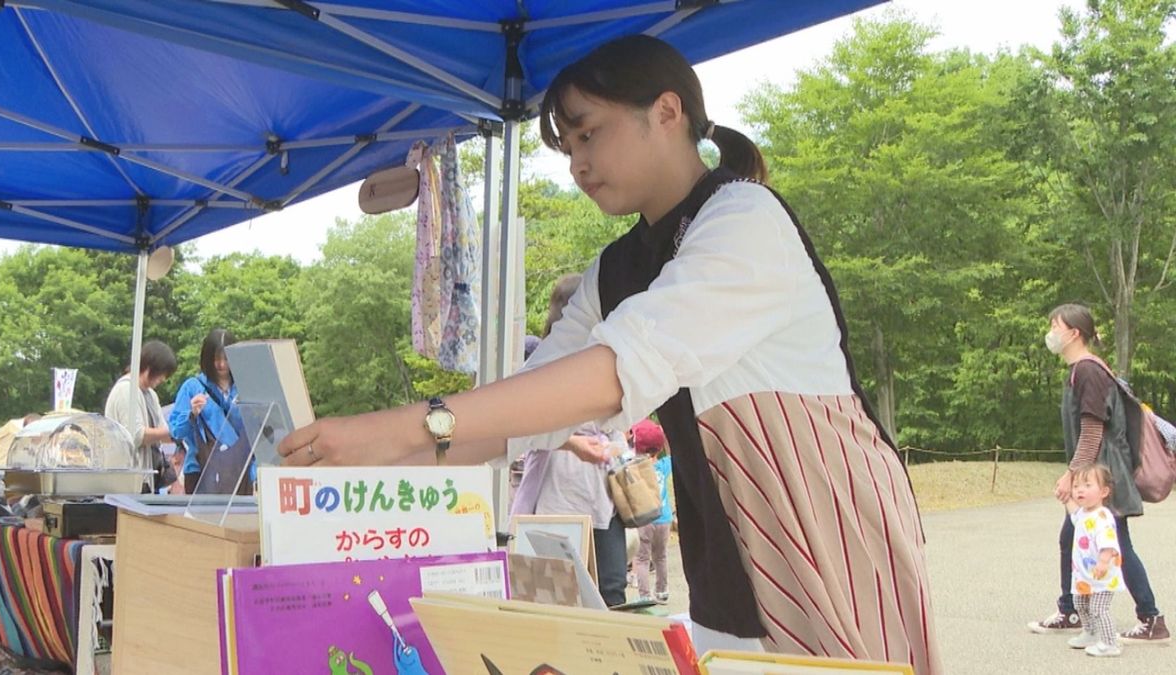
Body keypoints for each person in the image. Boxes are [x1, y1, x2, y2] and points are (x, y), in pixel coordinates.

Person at [278, 34, 938, 670]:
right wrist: (357, 472)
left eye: (588, 134)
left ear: (668, 111)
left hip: (826, 527)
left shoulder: (744, 219)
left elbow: (614, 373)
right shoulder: (617, 270)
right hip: (725, 552)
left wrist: (405, 428)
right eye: (566, 149)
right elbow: (528, 413)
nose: (577, 165)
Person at [1028, 304, 1168, 643]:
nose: (1051, 332)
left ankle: (1149, 618)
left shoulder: (1088, 371)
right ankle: (1072, 608)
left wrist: (1071, 476)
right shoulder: (1082, 369)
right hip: (1099, 473)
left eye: (1055, 325)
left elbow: (1092, 431)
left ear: (1074, 333)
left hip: (1104, 477)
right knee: (1074, 538)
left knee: (1116, 541)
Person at [510, 275, 629, 607]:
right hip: (556, 491)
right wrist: (572, 443)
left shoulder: (610, 356)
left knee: (612, 589)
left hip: (602, 492)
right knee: (559, 591)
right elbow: (524, 426)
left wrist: (617, 447)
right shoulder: (543, 363)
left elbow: (620, 423)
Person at [1062, 464, 1125, 657]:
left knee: (1098, 608)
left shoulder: (1102, 517)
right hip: (1084, 574)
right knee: (1080, 603)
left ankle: (1109, 642)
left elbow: (1108, 543)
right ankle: (1090, 632)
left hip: (1101, 574)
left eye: (1087, 485)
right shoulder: (1084, 513)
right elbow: (1074, 514)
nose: (1080, 490)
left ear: (1104, 492)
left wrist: (1104, 561)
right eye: (1077, 486)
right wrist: (1065, 497)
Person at [168, 329, 239, 494]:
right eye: (216, 359)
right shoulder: (192, 387)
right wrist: (191, 414)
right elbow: (176, 432)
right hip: (202, 470)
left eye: (226, 359)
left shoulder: (245, 388)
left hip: (237, 469)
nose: (221, 365)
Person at [104, 340, 177, 492]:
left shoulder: (151, 395)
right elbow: (135, 435)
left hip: (148, 478)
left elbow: (163, 431)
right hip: (128, 480)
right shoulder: (126, 390)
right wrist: (171, 432)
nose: (163, 379)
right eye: (162, 373)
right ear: (150, 367)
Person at [630, 419, 672, 604]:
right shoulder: (663, 465)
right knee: (661, 557)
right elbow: (673, 454)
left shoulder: (633, 466)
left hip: (644, 519)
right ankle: (662, 591)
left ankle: (645, 595)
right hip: (664, 519)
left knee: (641, 559)